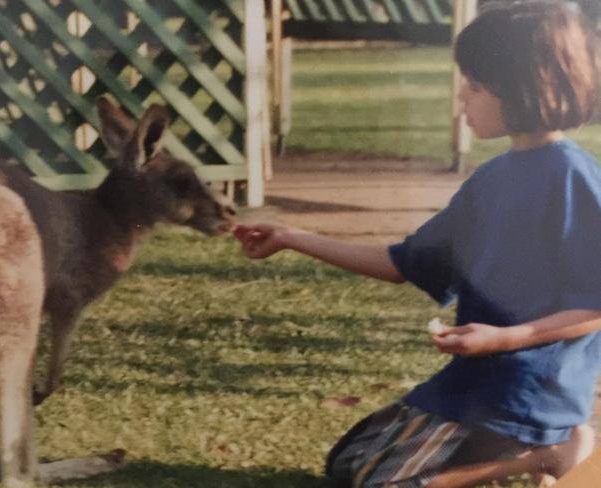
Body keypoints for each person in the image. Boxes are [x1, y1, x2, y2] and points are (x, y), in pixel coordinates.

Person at [233, 1, 601, 487]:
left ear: (522, 88)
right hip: (475, 381)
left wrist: (507, 339)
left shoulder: (571, 178)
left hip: (530, 388)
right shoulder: (491, 180)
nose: (462, 98)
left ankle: (548, 453)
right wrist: (291, 237)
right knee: (347, 464)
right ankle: (517, 450)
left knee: (380, 482)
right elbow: (402, 262)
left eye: (475, 85)